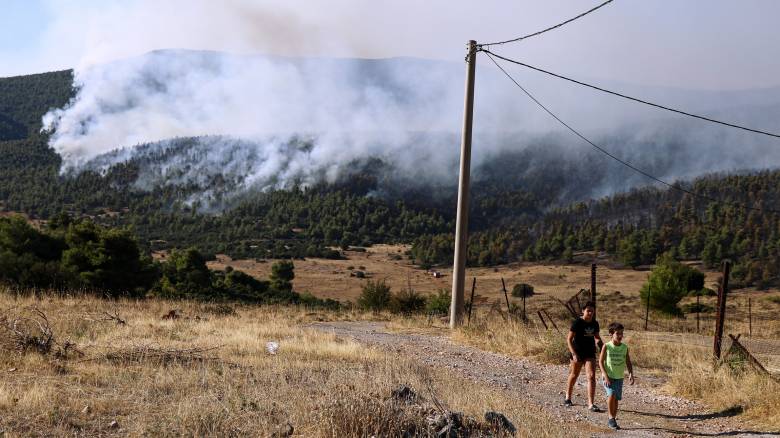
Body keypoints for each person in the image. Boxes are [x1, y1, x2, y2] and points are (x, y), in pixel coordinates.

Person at [564, 301, 602, 411]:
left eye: (592, 311)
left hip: (590, 352)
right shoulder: (577, 323)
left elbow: (597, 337)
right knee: (574, 374)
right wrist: (573, 354)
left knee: (591, 376)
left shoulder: (595, 323)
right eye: (588, 310)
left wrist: (602, 346)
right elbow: (569, 339)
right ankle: (568, 397)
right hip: (577, 352)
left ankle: (591, 404)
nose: (590, 313)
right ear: (583, 311)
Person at [599, 322, 635, 430]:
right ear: (611, 334)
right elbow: (600, 362)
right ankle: (610, 418)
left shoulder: (624, 347)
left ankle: (613, 418)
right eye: (617, 333)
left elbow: (628, 362)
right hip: (608, 376)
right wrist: (605, 375)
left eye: (621, 333)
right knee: (611, 395)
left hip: (619, 377)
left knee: (616, 399)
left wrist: (631, 374)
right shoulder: (607, 346)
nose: (620, 336)